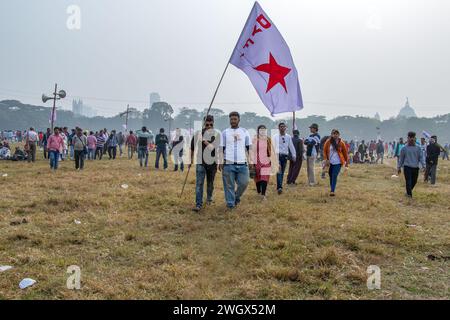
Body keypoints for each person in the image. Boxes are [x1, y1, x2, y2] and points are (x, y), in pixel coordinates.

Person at [219, 111, 251, 209]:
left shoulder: (245, 132)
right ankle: (230, 205)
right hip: (228, 163)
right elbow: (221, 148)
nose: (233, 121)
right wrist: (220, 161)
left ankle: (236, 197)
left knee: (244, 183)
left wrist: (252, 161)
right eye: (231, 119)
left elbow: (249, 147)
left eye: (235, 119)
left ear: (239, 120)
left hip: (242, 163)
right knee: (229, 186)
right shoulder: (225, 132)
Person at [190, 115, 220, 212]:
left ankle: (209, 199)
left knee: (210, 183)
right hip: (200, 162)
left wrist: (204, 140)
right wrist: (190, 160)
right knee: (199, 183)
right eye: (207, 124)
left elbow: (212, 148)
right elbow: (192, 147)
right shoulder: (198, 134)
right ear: (204, 123)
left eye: (211, 124)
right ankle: (198, 204)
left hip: (212, 163)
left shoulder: (216, 134)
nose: (209, 126)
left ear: (213, 123)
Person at [251, 125, 276, 200]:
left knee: (264, 177)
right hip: (257, 161)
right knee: (257, 177)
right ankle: (259, 191)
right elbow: (251, 151)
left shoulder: (268, 139)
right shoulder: (255, 139)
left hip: (266, 161)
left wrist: (274, 161)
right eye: (261, 130)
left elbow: (272, 150)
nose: (262, 131)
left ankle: (263, 194)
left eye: (264, 130)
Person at [397, 131, 425, 198]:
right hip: (407, 167)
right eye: (410, 138)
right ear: (408, 138)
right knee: (408, 181)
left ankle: (408, 192)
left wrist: (424, 166)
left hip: (415, 167)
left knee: (414, 181)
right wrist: (399, 167)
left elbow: (421, 158)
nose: (412, 139)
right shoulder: (404, 148)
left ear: (415, 138)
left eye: (413, 138)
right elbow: (401, 159)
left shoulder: (418, 148)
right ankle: (409, 195)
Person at [323, 129, 349, 196]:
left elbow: (345, 153)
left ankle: (332, 191)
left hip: (338, 162)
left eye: (337, 134)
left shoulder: (341, 143)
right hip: (329, 162)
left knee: (334, 175)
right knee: (330, 175)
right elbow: (325, 151)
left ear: (339, 135)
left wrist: (346, 163)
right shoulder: (328, 142)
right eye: (334, 134)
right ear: (332, 134)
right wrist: (326, 159)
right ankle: (332, 188)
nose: (335, 135)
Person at [273, 123, 296, 194]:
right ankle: (279, 187)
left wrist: (294, 155)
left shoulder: (288, 137)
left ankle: (279, 186)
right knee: (279, 171)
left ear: (286, 128)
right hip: (277, 155)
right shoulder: (275, 136)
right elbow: (273, 146)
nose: (282, 128)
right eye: (281, 127)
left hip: (285, 156)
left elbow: (291, 146)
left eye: (283, 127)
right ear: (278, 128)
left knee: (282, 172)